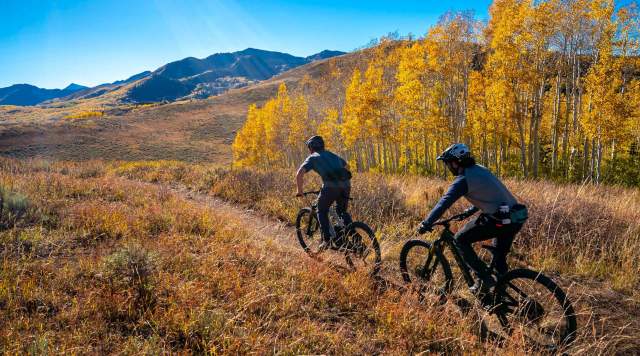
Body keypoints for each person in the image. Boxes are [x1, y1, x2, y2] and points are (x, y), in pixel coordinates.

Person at [418, 143, 528, 294]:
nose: (448, 167)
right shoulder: (480, 169)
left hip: (499, 220)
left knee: (460, 240)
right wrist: (471, 210)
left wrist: (427, 222)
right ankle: (499, 293)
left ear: (455, 162)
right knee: (499, 257)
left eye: (448, 163)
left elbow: (444, 203)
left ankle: (483, 279)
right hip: (515, 218)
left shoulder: (462, 180)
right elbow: (490, 192)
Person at [296, 136, 353, 250]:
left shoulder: (313, 157)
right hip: (346, 185)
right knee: (342, 212)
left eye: (309, 148)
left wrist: (300, 191)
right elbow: (347, 166)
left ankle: (326, 240)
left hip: (330, 187)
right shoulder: (332, 155)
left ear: (311, 147)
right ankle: (353, 237)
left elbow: (299, 173)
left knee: (321, 210)